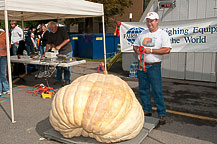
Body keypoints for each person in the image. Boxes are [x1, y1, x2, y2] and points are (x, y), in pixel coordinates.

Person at [133, 12, 172, 125]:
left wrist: (150, 50)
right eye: (148, 21)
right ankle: (147, 110)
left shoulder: (163, 34)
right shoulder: (142, 34)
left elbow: (167, 50)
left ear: (157, 21)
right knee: (143, 89)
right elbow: (135, 45)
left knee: (157, 91)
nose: (149, 23)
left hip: (154, 66)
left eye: (152, 21)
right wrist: (137, 50)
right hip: (142, 65)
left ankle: (161, 114)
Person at [45, 21, 72, 85]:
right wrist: (45, 53)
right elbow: (48, 44)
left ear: (56, 26)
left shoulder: (62, 30)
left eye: (52, 29)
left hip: (67, 50)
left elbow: (67, 39)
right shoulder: (50, 33)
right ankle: (58, 79)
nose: (51, 30)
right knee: (58, 66)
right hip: (59, 51)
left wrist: (59, 46)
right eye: (50, 29)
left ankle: (67, 80)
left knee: (66, 66)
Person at [0, 28, 11, 95]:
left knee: (3, 73)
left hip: (3, 56)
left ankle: (6, 88)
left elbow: (9, 45)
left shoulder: (4, 34)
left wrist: (3, 48)